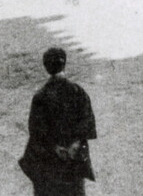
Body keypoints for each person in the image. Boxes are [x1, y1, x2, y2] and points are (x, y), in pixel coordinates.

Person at [18, 47, 97, 196]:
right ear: (64, 64)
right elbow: (87, 121)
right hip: (73, 161)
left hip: (49, 161)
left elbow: (36, 130)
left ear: (46, 67)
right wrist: (75, 144)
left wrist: (55, 147)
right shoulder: (77, 91)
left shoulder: (40, 97)